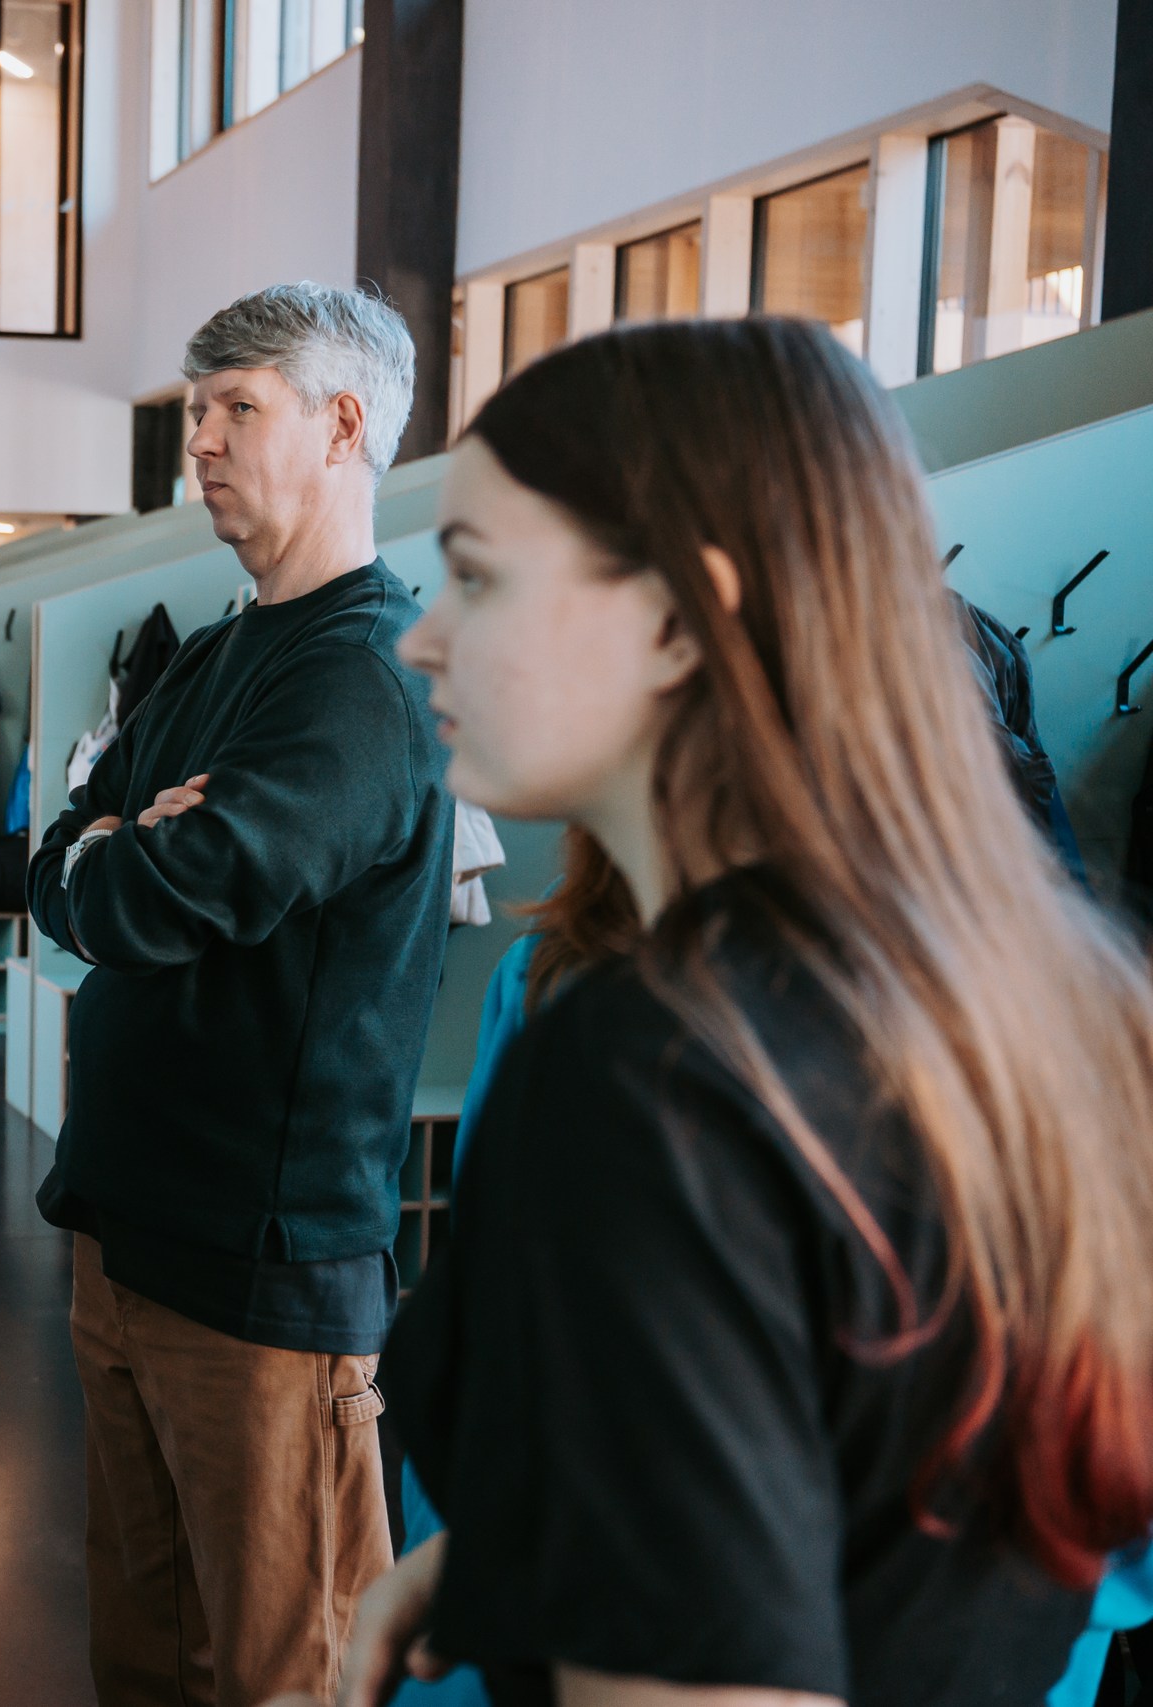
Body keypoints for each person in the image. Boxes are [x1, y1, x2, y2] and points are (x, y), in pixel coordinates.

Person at [349, 318, 1153, 1707]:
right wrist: (546, 1547)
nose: (422, 638)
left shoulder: (654, 1070)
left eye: (475, 577)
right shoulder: (1054, 1005)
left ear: (680, 615)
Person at [27, 281, 454, 1707]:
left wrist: (121, 852)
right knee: (147, 1660)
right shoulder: (216, 653)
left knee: (290, 1674)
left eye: (237, 407)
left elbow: (165, 894)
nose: (199, 439)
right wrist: (113, 844)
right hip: (122, 1241)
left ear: (342, 426)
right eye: (195, 408)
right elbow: (56, 863)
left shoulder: (365, 675)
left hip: (262, 1278)